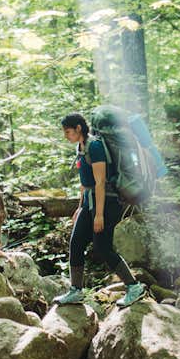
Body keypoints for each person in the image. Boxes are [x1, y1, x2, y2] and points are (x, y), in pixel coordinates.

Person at [53, 112, 146, 308]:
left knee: (102, 247)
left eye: (68, 131)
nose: (66, 136)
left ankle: (134, 286)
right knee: (76, 242)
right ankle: (75, 291)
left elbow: (100, 183)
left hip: (107, 202)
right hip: (89, 202)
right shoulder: (81, 147)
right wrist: (79, 208)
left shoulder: (95, 146)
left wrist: (99, 215)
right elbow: (84, 184)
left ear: (79, 128)